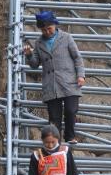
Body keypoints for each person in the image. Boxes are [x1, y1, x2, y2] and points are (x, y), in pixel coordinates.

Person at [24, 10, 85, 144]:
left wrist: (81, 75)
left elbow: (77, 58)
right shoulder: (39, 43)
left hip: (69, 82)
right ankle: (54, 142)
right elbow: (35, 64)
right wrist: (29, 55)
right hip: (51, 85)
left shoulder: (67, 37)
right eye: (44, 30)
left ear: (55, 25)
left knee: (70, 110)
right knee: (54, 117)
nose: (47, 32)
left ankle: (70, 137)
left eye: (49, 28)